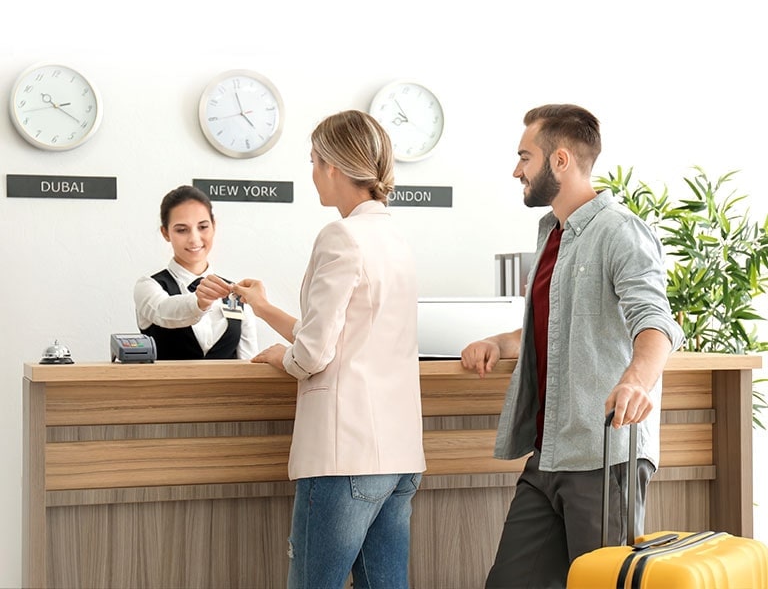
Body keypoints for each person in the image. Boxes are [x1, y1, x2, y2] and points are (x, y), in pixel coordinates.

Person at [461, 104, 685, 589]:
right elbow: (559, 326)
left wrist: (636, 381)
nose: (516, 170)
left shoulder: (620, 231)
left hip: (603, 457)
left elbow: (656, 323)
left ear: (559, 160)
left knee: (602, 584)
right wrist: (500, 342)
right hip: (548, 455)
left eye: (525, 157)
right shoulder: (553, 234)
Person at [232, 109, 425, 589]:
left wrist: (283, 358)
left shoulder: (341, 235)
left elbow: (313, 354)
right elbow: (344, 335)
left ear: (333, 167)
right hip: (398, 457)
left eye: (314, 161)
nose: (313, 172)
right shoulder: (395, 238)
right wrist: (265, 308)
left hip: (345, 457)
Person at [134, 184, 260, 360]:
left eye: (203, 227)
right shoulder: (148, 286)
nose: (194, 239)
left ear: (213, 226)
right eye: (182, 230)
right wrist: (198, 302)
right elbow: (164, 312)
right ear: (165, 233)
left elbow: (248, 362)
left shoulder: (235, 293)